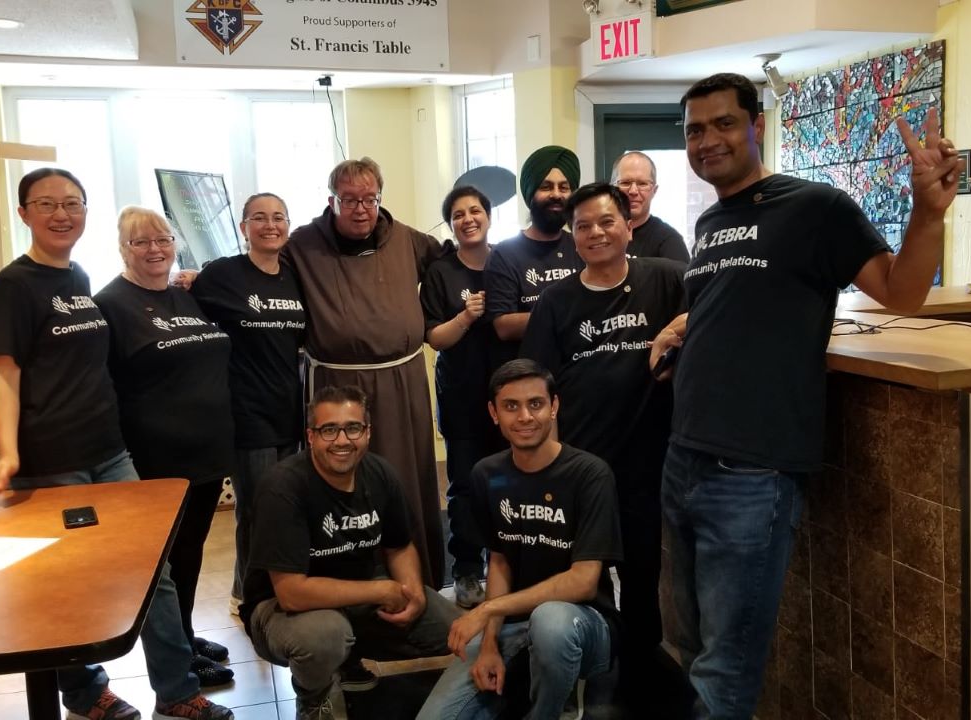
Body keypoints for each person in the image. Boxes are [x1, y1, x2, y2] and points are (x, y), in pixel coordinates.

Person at [647, 73, 957, 719]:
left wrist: (927, 212)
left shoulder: (816, 206)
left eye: (724, 123)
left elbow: (901, 294)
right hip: (685, 461)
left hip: (752, 472)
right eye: (695, 130)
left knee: (722, 674)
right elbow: (732, 305)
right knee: (684, 650)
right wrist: (684, 330)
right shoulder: (711, 219)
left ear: (756, 125)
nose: (708, 141)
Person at [0, 168, 232, 720]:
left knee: (154, 572)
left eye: (72, 203)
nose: (61, 214)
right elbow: (3, 370)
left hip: (109, 450)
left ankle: (177, 692)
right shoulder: (12, 286)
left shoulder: (76, 278)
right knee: (71, 584)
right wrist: (8, 452)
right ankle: (86, 694)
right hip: (52, 460)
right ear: (24, 213)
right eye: (46, 204)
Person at [520, 182, 686, 710]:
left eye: (606, 221)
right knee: (581, 579)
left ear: (629, 225)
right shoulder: (557, 301)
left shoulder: (664, 279)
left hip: (646, 459)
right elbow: (537, 381)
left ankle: (634, 678)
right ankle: (580, 669)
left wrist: (674, 332)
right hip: (582, 466)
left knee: (642, 574)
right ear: (572, 235)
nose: (595, 233)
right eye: (584, 225)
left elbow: (716, 309)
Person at [416, 359, 623, 720]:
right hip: (515, 624)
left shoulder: (589, 474)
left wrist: (487, 610)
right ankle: (525, 679)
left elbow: (584, 581)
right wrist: (490, 644)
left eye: (536, 404)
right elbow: (499, 561)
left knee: (551, 622)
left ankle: (554, 708)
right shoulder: (487, 474)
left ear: (554, 407)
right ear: (494, 413)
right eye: (511, 406)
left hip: (583, 624)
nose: (525, 416)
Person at [242, 385, 461, 720]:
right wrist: (380, 589)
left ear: (368, 432)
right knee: (325, 636)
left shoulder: (380, 474)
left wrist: (413, 592)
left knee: (455, 628)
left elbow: (399, 545)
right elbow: (291, 593)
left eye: (353, 428)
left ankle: (348, 662)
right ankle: (314, 700)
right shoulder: (283, 487)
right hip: (281, 611)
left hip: (357, 596)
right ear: (311, 436)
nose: (342, 440)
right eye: (329, 429)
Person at [285, 158, 446, 589]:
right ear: (332, 200)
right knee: (342, 481)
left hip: (401, 381)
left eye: (369, 199)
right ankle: (347, 580)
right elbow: (259, 270)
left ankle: (417, 581)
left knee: (405, 478)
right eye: (350, 200)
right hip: (336, 383)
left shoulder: (409, 241)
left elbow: (450, 271)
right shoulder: (302, 245)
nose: (360, 209)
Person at [94, 206, 237, 686]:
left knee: (191, 550)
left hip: (207, 451)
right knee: (165, 564)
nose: (155, 249)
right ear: (123, 248)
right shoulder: (110, 304)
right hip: (155, 458)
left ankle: (187, 633)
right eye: (141, 242)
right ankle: (174, 652)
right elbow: (103, 386)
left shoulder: (189, 295)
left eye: (163, 239)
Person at [190, 192, 307, 618]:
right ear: (243, 228)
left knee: (280, 507)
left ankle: (254, 588)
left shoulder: (293, 277)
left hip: (289, 411)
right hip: (245, 413)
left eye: (278, 217)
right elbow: (186, 317)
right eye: (259, 218)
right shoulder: (222, 275)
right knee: (258, 509)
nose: (270, 225)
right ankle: (250, 597)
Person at [421, 186, 507, 609]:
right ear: (451, 223)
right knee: (465, 488)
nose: (468, 218)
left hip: (508, 398)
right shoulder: (441, 272)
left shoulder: (509, 261)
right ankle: (468, 570)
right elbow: (435, 337)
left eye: (476, 210)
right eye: (458, 214)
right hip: (461, 396)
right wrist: (466, 316)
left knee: (510, 482)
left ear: (489, 216)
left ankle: (508, 564)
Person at [483, 146, 584, 362]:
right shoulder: (504, 254)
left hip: (577, 375)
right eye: (546, 186)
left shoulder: (581, 246)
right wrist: (569, 315)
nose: (556, 194)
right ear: (530, 193)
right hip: (527, 380)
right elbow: (504, 326)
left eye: (564, 187)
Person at [610, 151, 691, 262]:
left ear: (654, 190)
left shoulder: (669, 241)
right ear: (612, 189)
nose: (633, 191)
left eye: (642, 183)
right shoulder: (598, 235)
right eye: (625, 183)